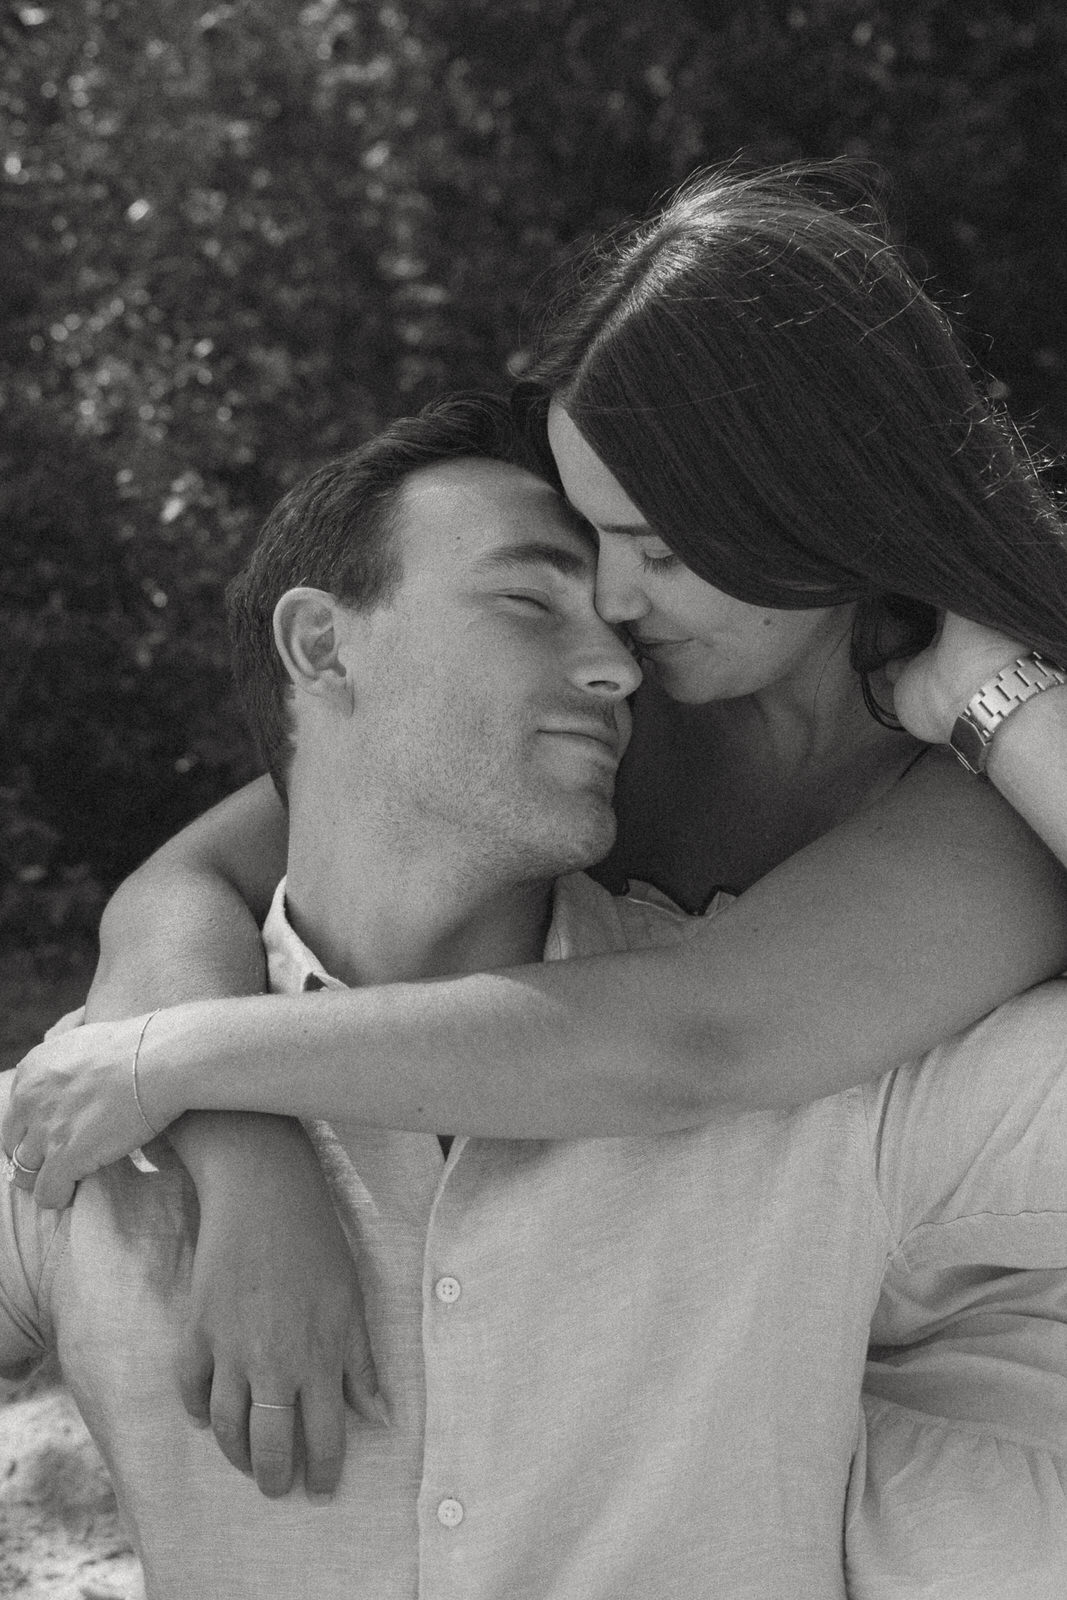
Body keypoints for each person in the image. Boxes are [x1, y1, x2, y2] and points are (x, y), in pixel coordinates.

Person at [8, 161, 1067, 1487]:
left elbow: (691, 1037)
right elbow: (181, 889)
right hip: (684, 1318)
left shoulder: (977, 797)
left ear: (820, 508)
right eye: (590, 535)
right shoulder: (625, 695)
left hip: (952, 1353)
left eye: (662, 549)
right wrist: (244, 1149)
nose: (613, 603)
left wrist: (992, 689)